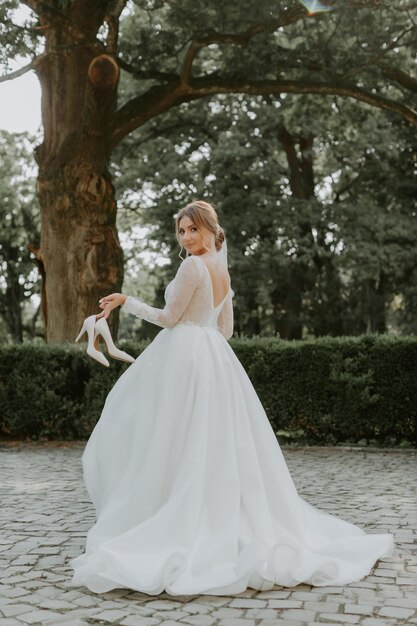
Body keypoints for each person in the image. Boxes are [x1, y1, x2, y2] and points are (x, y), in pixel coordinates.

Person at [69, 200, 394, 596]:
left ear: (210, 230)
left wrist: (126, 301)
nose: (187, 237)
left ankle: (172, 515)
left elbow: (170, 319)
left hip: (185, 358)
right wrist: (205, 346)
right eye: (182, 231)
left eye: (193, 229)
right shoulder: (222, 269)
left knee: (167, 436)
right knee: (209, 441)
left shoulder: (192, 267)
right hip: (214, 361)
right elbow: (225, 330)